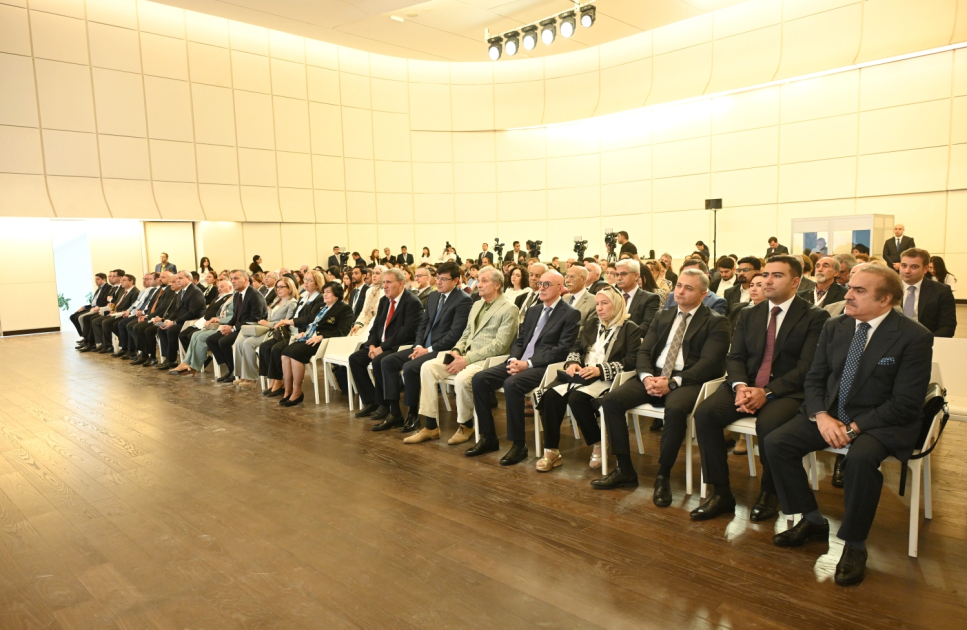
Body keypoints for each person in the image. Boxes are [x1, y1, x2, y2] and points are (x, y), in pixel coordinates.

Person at [764, 265, 933, 586]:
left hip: (882, 420)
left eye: (859, 290)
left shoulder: (914, 336)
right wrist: (821, 416)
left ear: (885, 299)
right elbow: (815, 378)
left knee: (860, 459)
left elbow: (905, 403)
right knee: (776, 443)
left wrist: (854, 428)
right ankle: (812, 519)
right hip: (831, 413)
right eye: (850, 287)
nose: (848, 295)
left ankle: (855, 545)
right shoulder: (835, 326)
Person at [690, 256, 830, 522]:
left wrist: (766, 392)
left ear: (795, 282)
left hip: (787, 390)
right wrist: (741, 386)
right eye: (766, 275)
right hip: (746, 384)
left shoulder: (815, 316)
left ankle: (770, 492)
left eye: (777, 275)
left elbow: (807, 367)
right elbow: (735, 356)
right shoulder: (749, 313)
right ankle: (721, 493)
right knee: (706, 414)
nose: (767, 281)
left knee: (770, 426)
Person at [593, 269, 730, 506]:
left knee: (675, 410)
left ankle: (663, 475)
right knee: (611, 401)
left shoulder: (716, 321)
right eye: (679, 286)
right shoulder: (663, 315)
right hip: (654, 374)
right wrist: (646, 377)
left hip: (687, 380)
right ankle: (625, 469)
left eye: (688, 288)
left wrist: (674, 382)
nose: (680, 291)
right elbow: (644, 351)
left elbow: (709, 364)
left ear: (703, 294)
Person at [466, 271, 581, 465]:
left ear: (560, 288)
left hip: (543, 366)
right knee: (479, 379)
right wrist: (513, 359)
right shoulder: (534, 310)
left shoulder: (570, 313)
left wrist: (528, 364)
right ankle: (488, 437)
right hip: (519, 361)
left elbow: (562, 350)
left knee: (512, 384)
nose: (541, 287)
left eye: (547, 284)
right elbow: (520, 340)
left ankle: (519, 445)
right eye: (540, 284)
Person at [405, 267, 519, 445]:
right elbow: (466, 334)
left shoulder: (509, 308)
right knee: (427, 367)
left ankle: (466, 425)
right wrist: (457, 350)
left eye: (484, 281)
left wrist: (466, 359)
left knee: (462, 378)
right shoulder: (477, 304)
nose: (478, 284)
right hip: (465, 355)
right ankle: (430, 426)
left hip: (488, 360)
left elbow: (500, 345)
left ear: (497, 285)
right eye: (479, 280)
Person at [534, 287, 641, 472]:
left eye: (604, 303)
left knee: (577, 399)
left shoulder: (630, 328)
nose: (599, 308)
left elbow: (632, 361)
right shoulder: (592, 323)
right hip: (582, 375)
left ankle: (598, 443)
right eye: (597, 304)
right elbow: (576, 347)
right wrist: (573, 363)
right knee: (551, 395)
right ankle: (551, 450)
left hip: (608, 378)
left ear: (617, 305)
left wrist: (600, 370)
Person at [369, 262, 472, 432]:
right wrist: (418, 345)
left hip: (442, 351)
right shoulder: (434, 296)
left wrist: (428, 350)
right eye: (437, 278)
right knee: (387, 362)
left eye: (444, 279)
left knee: (410, 367)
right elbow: (422, 326)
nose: (438, 282)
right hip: (423, 347)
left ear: (455, 281)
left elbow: (455, 335)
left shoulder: (463, 300)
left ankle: (413, 414)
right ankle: (394, 412)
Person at [350, 268, 425, 418]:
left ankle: (384, 405)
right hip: (380, 344)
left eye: (389, 282)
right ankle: (371, 401)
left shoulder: (412, 302)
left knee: (379, 360)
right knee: (355, 359)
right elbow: (376, 326)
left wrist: (382, 348)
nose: (384, 286)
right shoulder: (384, 300)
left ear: (401, 283)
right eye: (384, 282)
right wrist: (372, 344)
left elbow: (405, 332)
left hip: (399, 346)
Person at [278, 282, 354, 406]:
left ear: (337, 294)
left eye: (328, 292)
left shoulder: (344, 309)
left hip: (326, 342)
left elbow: (343, 331)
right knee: (285, 353)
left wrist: (322, 336)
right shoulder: (323, 307)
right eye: (324, 292)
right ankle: (288, 390)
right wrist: (304, 332)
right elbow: (310, 321)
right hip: (311, 337)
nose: (325, 295)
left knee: (295, 354)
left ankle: (297, 392)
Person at [260, 272, 326, 396]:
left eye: (309, 280)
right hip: (291, 331)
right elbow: (296, 316)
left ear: (317, 284)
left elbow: (311, 319)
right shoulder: (304, 297)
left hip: (302, 333)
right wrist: (287, 322)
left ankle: (280, 383)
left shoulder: (320, 299)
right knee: (265, 346)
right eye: (305, 279)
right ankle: (274, 381)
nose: (305, 282)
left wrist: (289, 322)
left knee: (276, 348)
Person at [230, 277, 298, 386]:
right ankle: (242, 375)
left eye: (281, 287)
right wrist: (265, 322)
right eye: (277, 287)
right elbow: (270, 317)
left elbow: (287, 322)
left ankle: (251, 378)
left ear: (289, 288)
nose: (278, 289)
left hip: (278, 332)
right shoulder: (277, 300)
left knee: (248, 343)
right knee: (240, 341)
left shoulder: (292, 303)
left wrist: (268, 324)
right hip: (267, 328)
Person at [206, 269, 268, 382]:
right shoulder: (237, 295)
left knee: (223, 342)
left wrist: (233, 328)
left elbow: (255, 318)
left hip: (250, 328)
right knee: (211, 340)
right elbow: (236, 316)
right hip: (239, 327)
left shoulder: (254, 295)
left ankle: (235, 371)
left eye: (236, 278)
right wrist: (227, 326)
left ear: (246, 280)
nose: (233, 281)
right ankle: (231, 367)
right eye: (231, 279)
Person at [169, 279, 235, 376]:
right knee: (195, 335)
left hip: (225, 326)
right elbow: (217, 312)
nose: (219, 289)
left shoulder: (233, 298)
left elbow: (233, 316)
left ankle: (194, 366)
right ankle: (186, 362)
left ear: (230, 287)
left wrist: (218, 319)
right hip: (215, 323)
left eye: (222, 286)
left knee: (200, 336)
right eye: (219, 286)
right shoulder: (224, 297)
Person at [898, 248, 956, 337]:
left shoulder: (941, 291)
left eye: (914, 266)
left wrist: (926, 341)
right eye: (904, 265)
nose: (907, 271)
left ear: (925, 269)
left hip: (927, 340)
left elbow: (947, 327)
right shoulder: (887, 289)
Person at [155, 271, 206, 370]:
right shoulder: (181, 291)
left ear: (189, 279)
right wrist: (167, 320)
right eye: (177, 278)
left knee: (171, 330)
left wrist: (174, 322)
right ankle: (168, 358)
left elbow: (193, 312)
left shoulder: (195, 291)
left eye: (180, 278)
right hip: (182, 320)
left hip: (192, 321)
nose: (177, 280)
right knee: (161, 329)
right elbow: (176, 310)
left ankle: (172, 360)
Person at [129, 271, 179, 367]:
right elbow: (156, 307)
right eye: (160, 277)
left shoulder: (170, 291)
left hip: (166, 318)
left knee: (147, 330)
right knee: (137, 327)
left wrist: (161, 319)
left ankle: (152, 357)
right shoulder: (162, 290)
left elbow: (163, 308)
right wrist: (148, 315)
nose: (160, 279)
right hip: (160, 317)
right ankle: (144, 354)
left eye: (163, 277)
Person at [86, 274, 141, 353]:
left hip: (123, 314)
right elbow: (117, 303)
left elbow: (132, 307)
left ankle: (117, 346)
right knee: (96, 320)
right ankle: (104, 344)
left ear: (131, 281)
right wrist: (112, 308)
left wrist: (117, 312)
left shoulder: (135, 292)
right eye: (121, 280)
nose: (121, 282)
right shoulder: (123, 291)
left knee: (108, 322)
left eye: (124, 280)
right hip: (115, 312)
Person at [663, 260, 728, 316]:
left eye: (692, 274)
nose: (687, 278)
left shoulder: (716, 302)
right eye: (685, 274)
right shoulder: (671, 297)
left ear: (706, 276)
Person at [613, 259, 659, 330]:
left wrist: (623, 335)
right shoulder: (612, 296)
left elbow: (646, 326)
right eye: (617, 274)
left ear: (636, 276)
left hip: (634, 336)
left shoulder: (649, 299)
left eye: (623, 274)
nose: (619, 278)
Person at [70, 273, 112, 339]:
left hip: (99, 308)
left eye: (98, 279)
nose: (95, 281)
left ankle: (87, 338)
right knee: (73, 316)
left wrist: (98, 307)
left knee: (82, 317)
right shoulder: (98, 289)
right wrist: (84, 307)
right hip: (93, 307)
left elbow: (104, 302)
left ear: (104, 279)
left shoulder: (108, 288)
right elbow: (94, 303)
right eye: (95, 279)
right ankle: (83, 336)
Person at [564, 264, 595, 333]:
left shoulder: (594, 301)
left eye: (572, 277)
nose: (567, 280)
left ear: (583, 279)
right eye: (566, 276)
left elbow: (588, 330)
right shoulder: (564, 299)